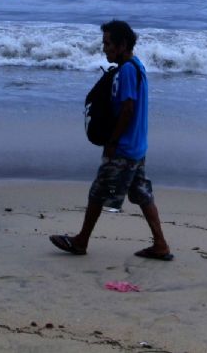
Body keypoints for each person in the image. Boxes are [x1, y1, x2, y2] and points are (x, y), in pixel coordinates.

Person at [50, 20, 173, 261]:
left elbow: (127, 109)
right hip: (138, 147)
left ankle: (81, 241)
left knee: (98, 192)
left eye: (107, 43)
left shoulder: (127, 70)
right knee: (141, 193)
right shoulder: (137, 66)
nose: (104, 48)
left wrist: (113, 141)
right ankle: (160, 244)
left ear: (122, 44)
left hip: (125, 149)